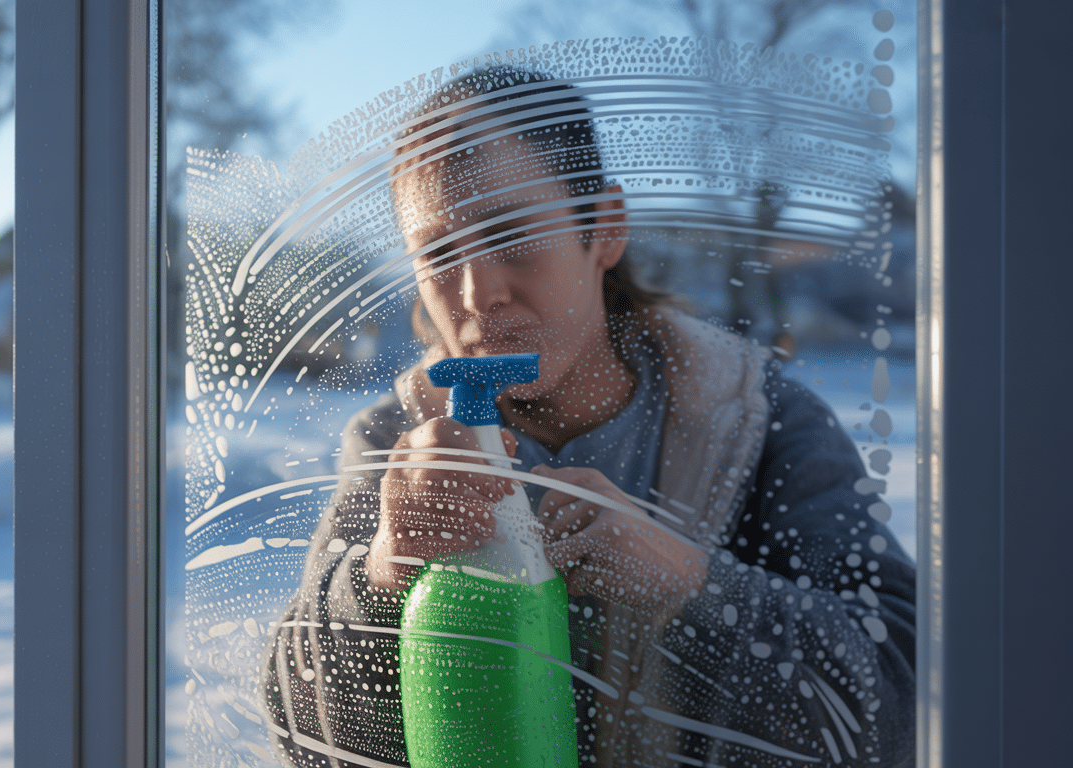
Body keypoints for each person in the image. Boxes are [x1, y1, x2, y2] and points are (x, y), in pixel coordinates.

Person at [262, 66, 915, 768]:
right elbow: (302, 738)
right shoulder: (398, 443)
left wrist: (693, 588)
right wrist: (379, 580)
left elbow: (902, 699)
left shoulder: (758, 422)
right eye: (440, 252)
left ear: (605, 226)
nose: (478, 293)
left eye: (509, 231)